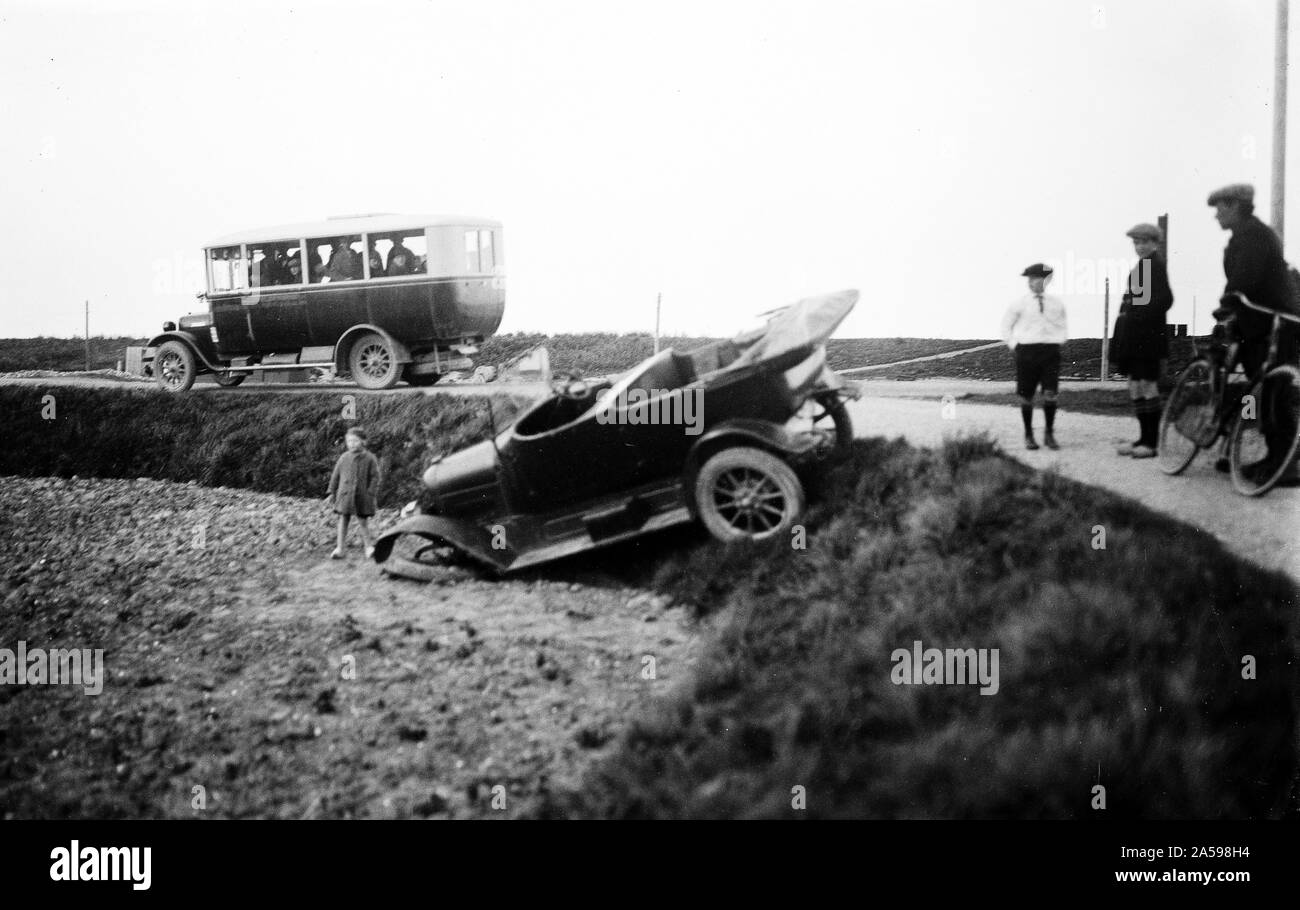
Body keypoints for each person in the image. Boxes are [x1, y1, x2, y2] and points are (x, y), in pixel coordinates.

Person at [1207, 182, 1300, 485]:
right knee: (1259, 389)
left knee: (1274, 392)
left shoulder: (1256, 237)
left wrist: (1226, 304)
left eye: (1219, 208)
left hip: (1277, 324)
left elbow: (1243, 280)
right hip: (1255, 325)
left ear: (1235, 206)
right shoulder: (1241, 238)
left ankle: (1284, 464)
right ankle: (1270, 457)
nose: (1216, 215)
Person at [1109, 223, 1174, 458]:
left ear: (1155, 243)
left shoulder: (1155, 265)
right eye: (1136, 242)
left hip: (1147, 338)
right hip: (1133, 336)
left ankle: (1152, 442)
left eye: (1145, 241)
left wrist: (1141, 316)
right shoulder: (1141, 266)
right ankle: (1142, 438)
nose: (1140, 246)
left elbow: (1166, 299)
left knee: (1147, 385)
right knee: (1135, 385)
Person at [1001, 262, 1068, 450]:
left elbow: (1062, 325)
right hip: (1027, 353)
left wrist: (1058, 341)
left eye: (1037, 278)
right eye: (1030, 279)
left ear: (1046, 280)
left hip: (1050, 353)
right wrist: (1016, 346)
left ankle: (1049, 434)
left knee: (1050, 393)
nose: (1032, 283)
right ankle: (1029, 435)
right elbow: (1006, 327)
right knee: (1026, 395)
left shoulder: (1056, 303)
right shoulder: (1019, 304)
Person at [327, 426, 381, 559]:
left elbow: (375, 476)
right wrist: (331, 492)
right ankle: (340, 548)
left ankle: (368, 547)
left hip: (362, 496)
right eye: (349, 441)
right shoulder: (344, 457)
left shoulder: (369, 458)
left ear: (363, 441)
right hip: (345, 495)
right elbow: (336, 475)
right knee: (343, 520)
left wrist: (370, 492)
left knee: (363, 521)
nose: (352, 444)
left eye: (355, 441)